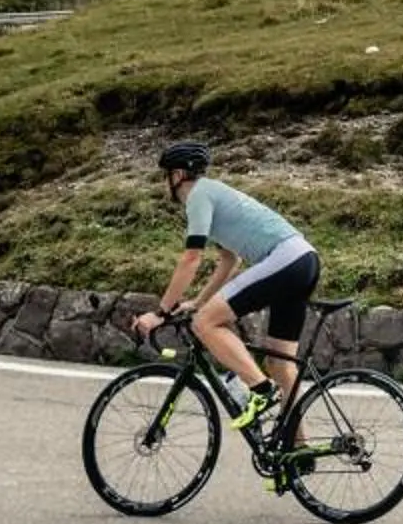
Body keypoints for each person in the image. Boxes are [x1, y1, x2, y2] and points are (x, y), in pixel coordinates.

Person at [134, 141, 319, 435]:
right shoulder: (213, 193)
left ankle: (260, 390)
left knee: (205, 323)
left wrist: (161, 312)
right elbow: (229, 260)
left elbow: (191, 259)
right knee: (280, 364)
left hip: (285, 258)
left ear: (178, 174)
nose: (163, 183)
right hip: (303, 261)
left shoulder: (198, 195)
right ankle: (298, 452)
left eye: (165, 175)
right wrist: (196, 300)